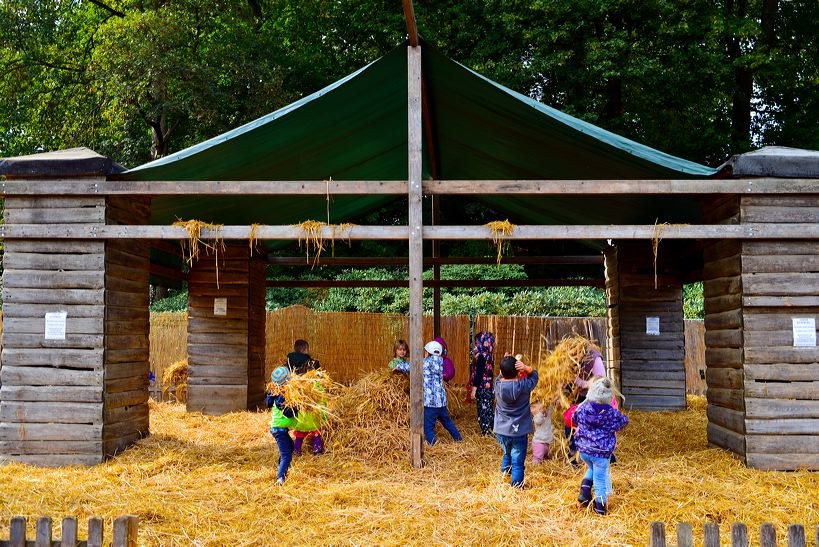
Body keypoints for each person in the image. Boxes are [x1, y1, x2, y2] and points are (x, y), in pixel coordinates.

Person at [572, 377, 628, 516]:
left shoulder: (584, 407)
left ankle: (584, 491)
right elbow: (624, 421)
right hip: (601, 452)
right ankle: (600, 509)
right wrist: (611, 426)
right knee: (600, 480)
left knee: (592, 468)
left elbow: (574, 419)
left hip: (584, 448)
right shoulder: (610, 412)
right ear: (609, 396)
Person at [494, 355, 539, 487]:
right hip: (519, 431)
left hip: (501, 431)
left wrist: (505, 364)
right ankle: (517, 486)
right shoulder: (524, 386)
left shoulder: (497, 385)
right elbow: (534, 376)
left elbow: (499, 376)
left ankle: (503, 478)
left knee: (507, 454)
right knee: (518, 462)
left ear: (502, 372)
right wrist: (526, 368)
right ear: (519, 372)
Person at [565, 343, 606, 465]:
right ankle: (572, 459)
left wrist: (581, 383)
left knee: (594, 429)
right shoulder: (568, 359)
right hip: (575, 396)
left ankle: (605, 457)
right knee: (571, 424)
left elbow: (601, 382)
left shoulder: (594, 358)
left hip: (593, 398)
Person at [423, 340, 462, 445]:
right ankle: (458, 439)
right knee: (447, 422)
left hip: (430, 402)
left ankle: (433, 445)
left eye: (425, 352)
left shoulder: (426, 363)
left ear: (428, 353)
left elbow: (413, 367)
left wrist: (399, 366)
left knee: (428, 427)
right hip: (441, 401)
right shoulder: (441, 362)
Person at [267, 366, 299, 485]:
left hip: (280, 430)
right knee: (286, 455)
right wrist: (296, 408)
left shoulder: (274, 393)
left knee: (290, 448)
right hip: (279, 431)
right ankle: (280, 478)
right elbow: (288, 413)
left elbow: (267, 403)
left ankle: (280, 466)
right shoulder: (281, 397)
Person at [470, 331, 496, 435]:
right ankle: (492, 429)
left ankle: (485, 432)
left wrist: (474, 390)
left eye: (477, 343)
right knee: (489, 409)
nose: (476, 345)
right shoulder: (490, 356)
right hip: (489, 388)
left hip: (482, 388)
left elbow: (479, 374)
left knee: (483, 409)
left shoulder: (481, 357)